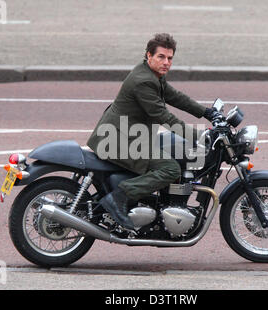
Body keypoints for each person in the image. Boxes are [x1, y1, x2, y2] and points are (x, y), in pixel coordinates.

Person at [87, 33, 221, 229]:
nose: (166, 62)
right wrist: (202, 136)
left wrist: (207, 112)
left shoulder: (153, 75)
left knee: (172, 151)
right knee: (171, 168)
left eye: (170, 58)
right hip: (119, 140)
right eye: (161, 57)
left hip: (130, 134)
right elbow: (164, 117)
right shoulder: (144, 81)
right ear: (148, 55)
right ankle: (118, 197)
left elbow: (175, 96)